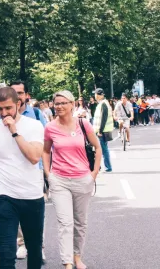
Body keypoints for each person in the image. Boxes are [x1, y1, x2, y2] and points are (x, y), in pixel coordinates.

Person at [0, 87, 45, 269]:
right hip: (4, 197)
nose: (3, 113)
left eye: (8, 108)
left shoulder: (34, 126)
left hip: (32, 196)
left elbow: (34, 157)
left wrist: (15, 132)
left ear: (18, 104)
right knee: (7, 253)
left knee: (34, 250)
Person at [43, 91, 101, 269]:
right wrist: (48, 174)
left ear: (72, 104)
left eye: (63, 103)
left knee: (80, 222)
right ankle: (67, 262)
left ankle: (77, 257)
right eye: (56, 103)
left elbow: (97, 147)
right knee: (65, 223)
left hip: (82, 179)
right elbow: (46, 151)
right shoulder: (50, 127)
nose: (59, 106)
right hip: (59, 180)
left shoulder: (83, 124)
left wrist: (93, 174)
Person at [92, 89, 114, 172]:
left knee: (103, 149)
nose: (95, 96)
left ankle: (108, 167)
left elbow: (103, 119)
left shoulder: (103, 104)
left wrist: (100, 131)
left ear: (100, 95)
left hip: (103, 131)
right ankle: (104, 167)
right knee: (102, 149)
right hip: (101, 130)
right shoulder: (102, 104)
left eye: (96, 94)